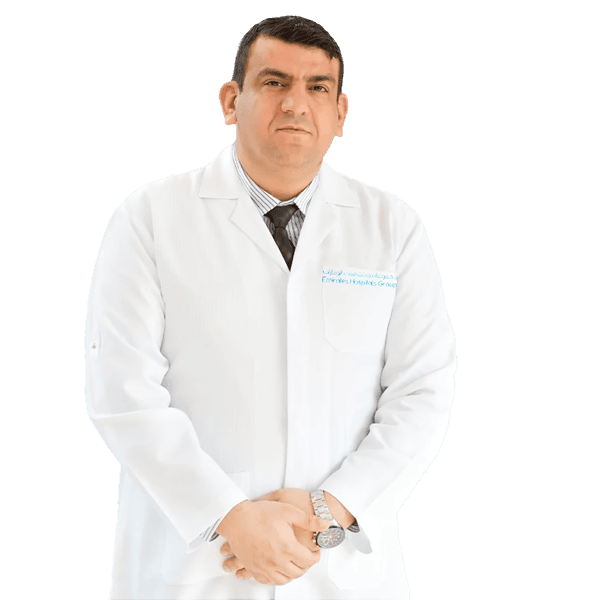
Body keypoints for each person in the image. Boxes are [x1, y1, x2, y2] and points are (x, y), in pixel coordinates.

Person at [84, 14, 458, 600]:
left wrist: (330, 508)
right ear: (231, 101)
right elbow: (122, 391)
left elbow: (423, 391)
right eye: (274, 82)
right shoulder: (150, 218)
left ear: (341, 113)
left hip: (338, 567)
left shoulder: (392, 227)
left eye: (317, 88)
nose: (295, 104)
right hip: (196, 569)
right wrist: (230, 516)